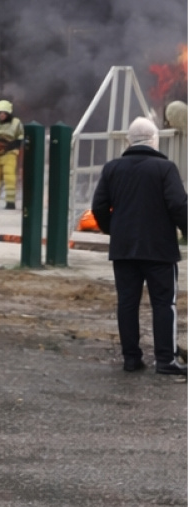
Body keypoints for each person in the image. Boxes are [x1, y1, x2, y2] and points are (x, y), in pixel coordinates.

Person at [90, 116, 187, 376]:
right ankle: (166, 360)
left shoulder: (112, 168)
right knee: (164, 304)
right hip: (160, 250)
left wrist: (113, 229)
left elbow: (98, 206)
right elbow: (179, 205)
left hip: (123, 250)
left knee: (127, 303)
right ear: (154, 140)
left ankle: (131, 359)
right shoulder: (165, 169)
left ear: (129, 141)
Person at [0, 99, 24, 209]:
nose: (2, 115)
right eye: (0, 113)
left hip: (10, 154)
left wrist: (12, 145)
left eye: (4, 113)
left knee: (9, 177)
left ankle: (10, 202)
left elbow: (20, 138)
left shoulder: (16, 123)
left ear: (9, 113)